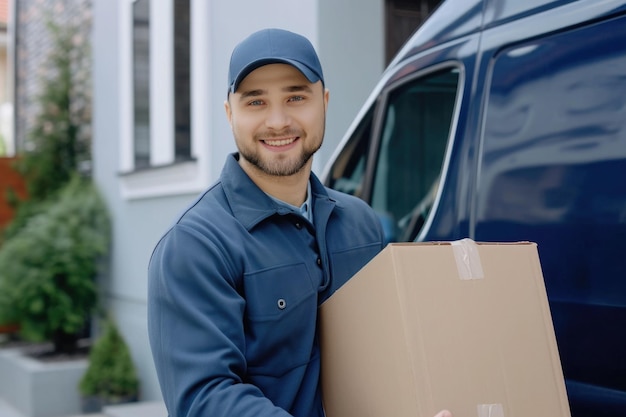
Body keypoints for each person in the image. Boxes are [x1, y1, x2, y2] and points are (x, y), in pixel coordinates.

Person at [147, 28, 452, 417]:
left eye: (295, 97)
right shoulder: (194, 245)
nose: (278, 121)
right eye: (255, 101)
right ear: (230, 114)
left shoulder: (361, 223)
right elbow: (206, 401)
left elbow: (387, 355)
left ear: (323, 102)